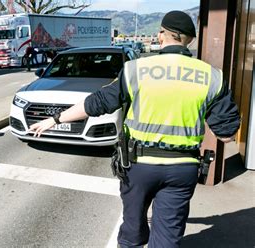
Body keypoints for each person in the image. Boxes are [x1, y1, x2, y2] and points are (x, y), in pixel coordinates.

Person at [29, 11, 240, 247]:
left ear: (162, 35)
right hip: (183, 168)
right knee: (168, 238)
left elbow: (96, 103)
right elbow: (227, 135)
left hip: (138, 167)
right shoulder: (212, 77)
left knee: (132, 230)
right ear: (189, 39)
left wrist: (55, 120)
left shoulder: (136, 70)